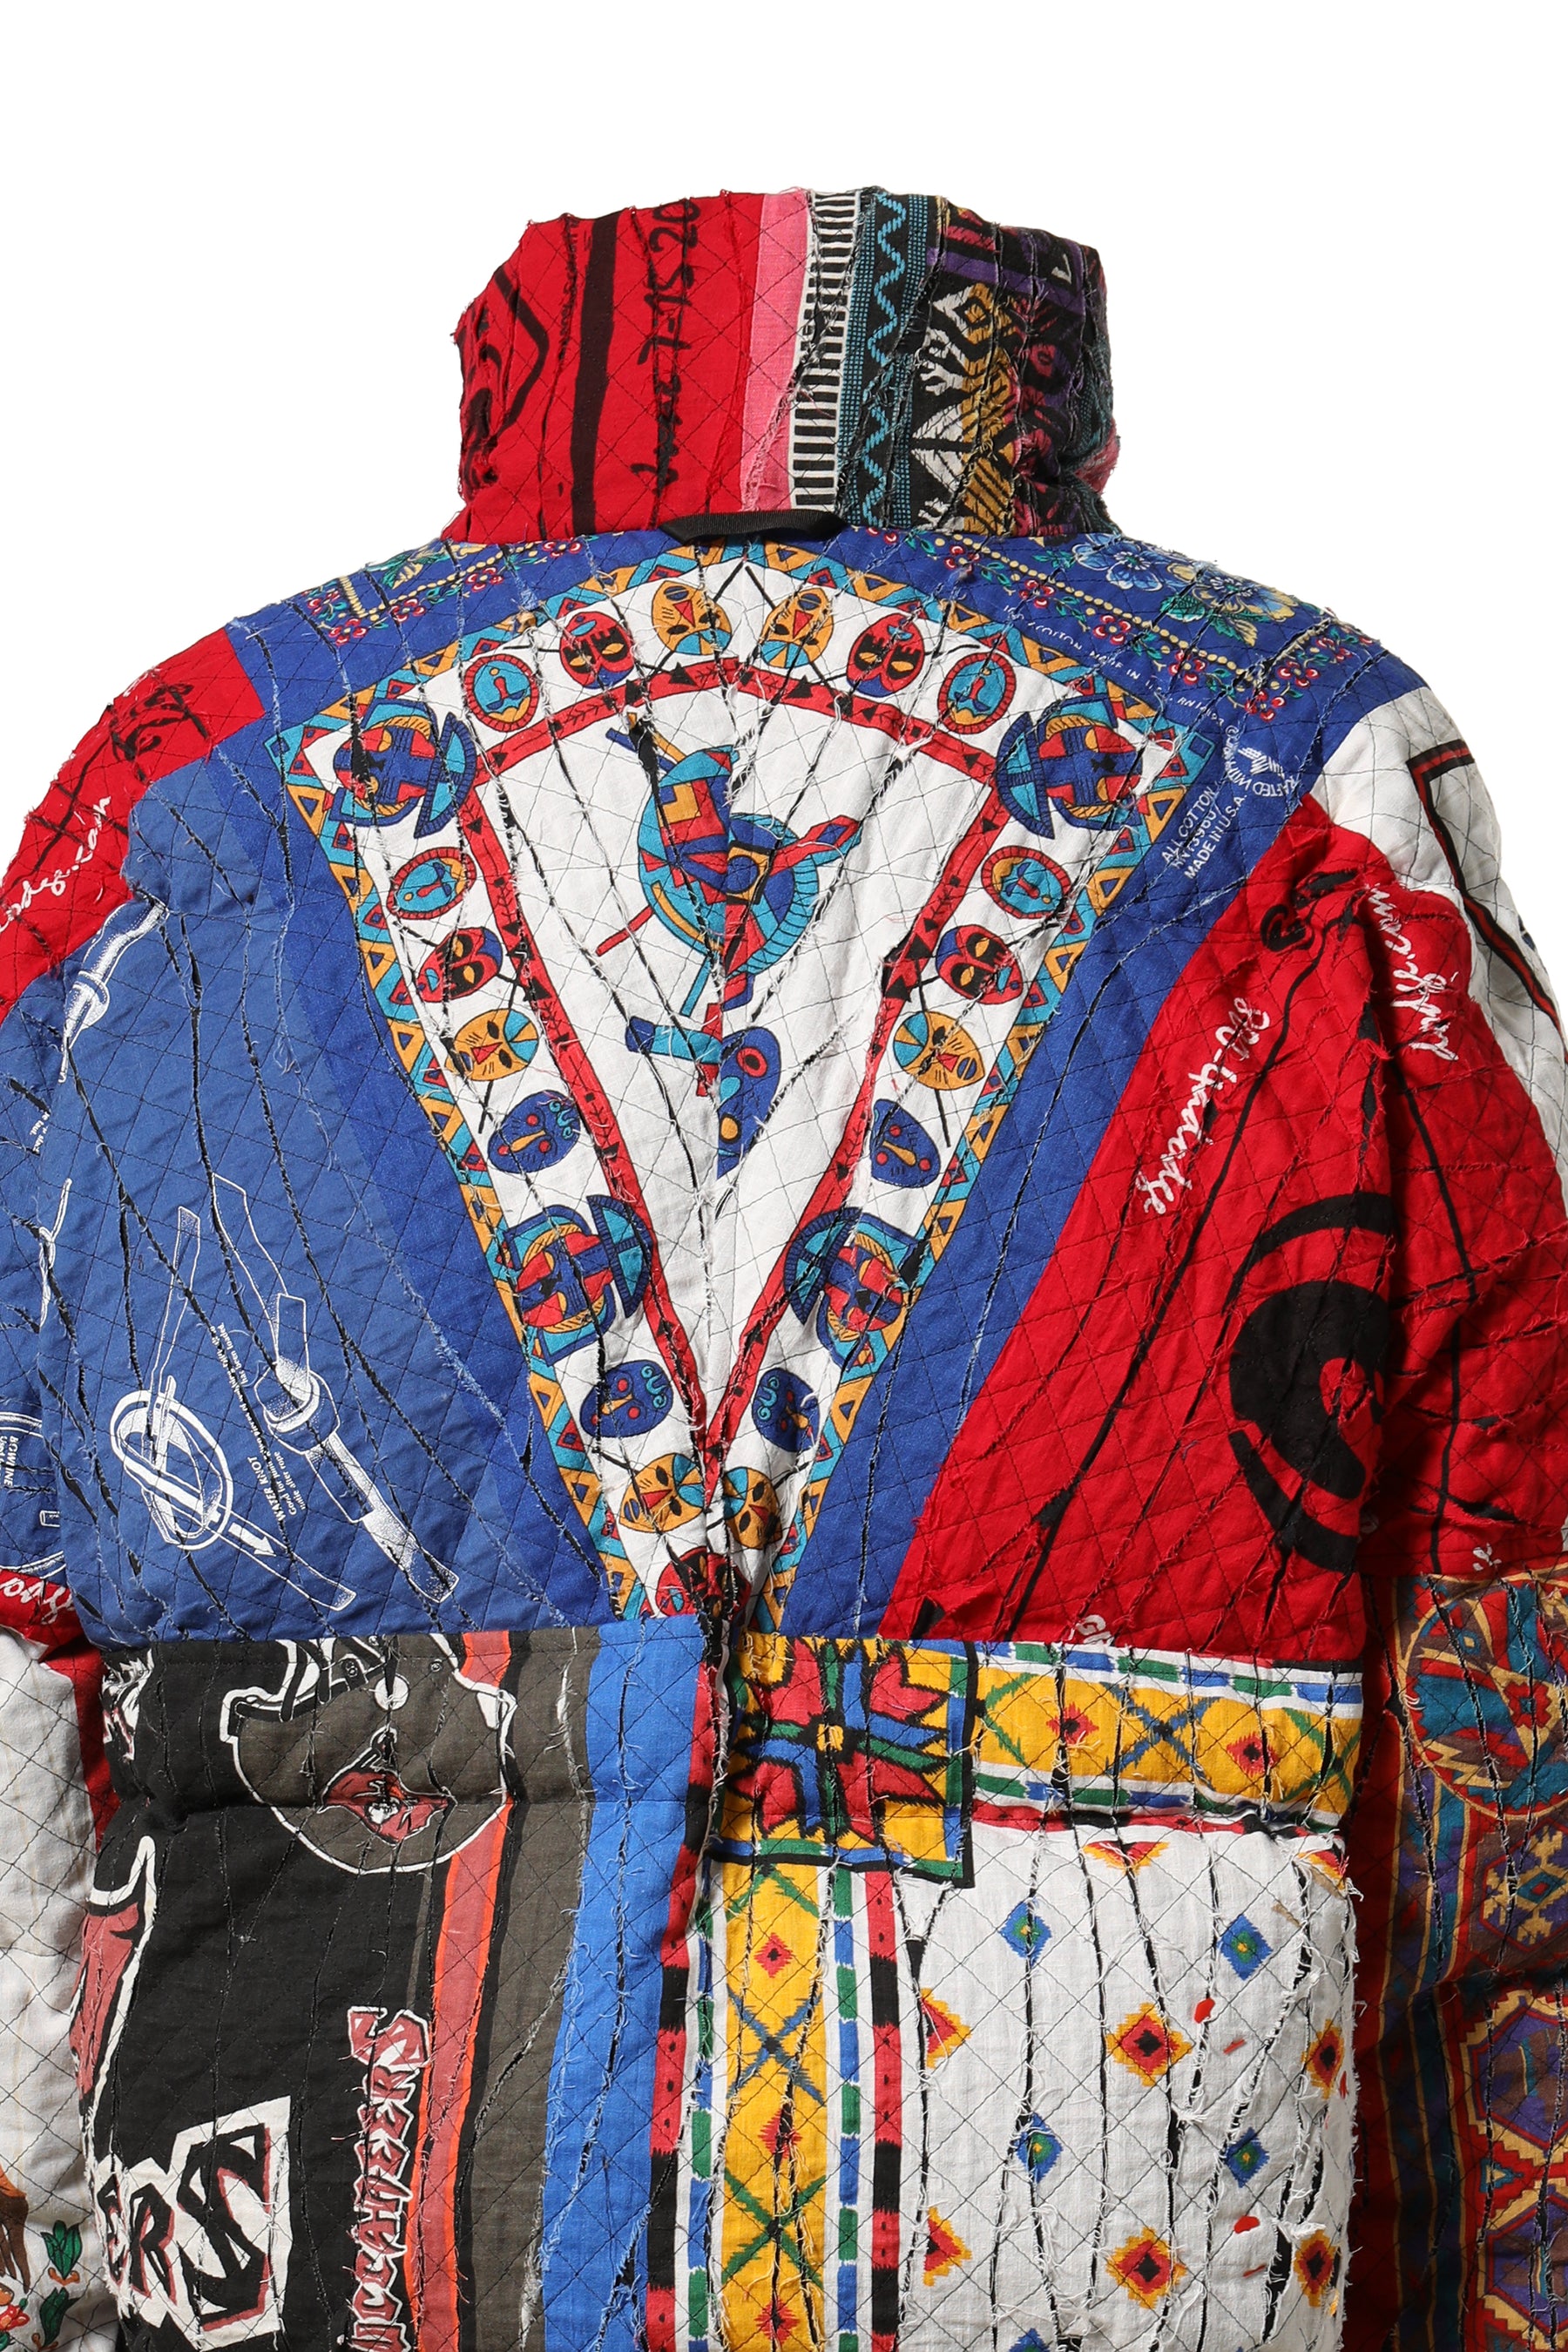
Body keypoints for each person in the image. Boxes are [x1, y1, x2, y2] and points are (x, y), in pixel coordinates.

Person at [0, 186, 1561, 2352]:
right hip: (1124, 2204)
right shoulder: (1309, 774)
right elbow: (1508, 1628)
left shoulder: (176, 789)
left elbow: (21, 1647)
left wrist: (49, 2260)